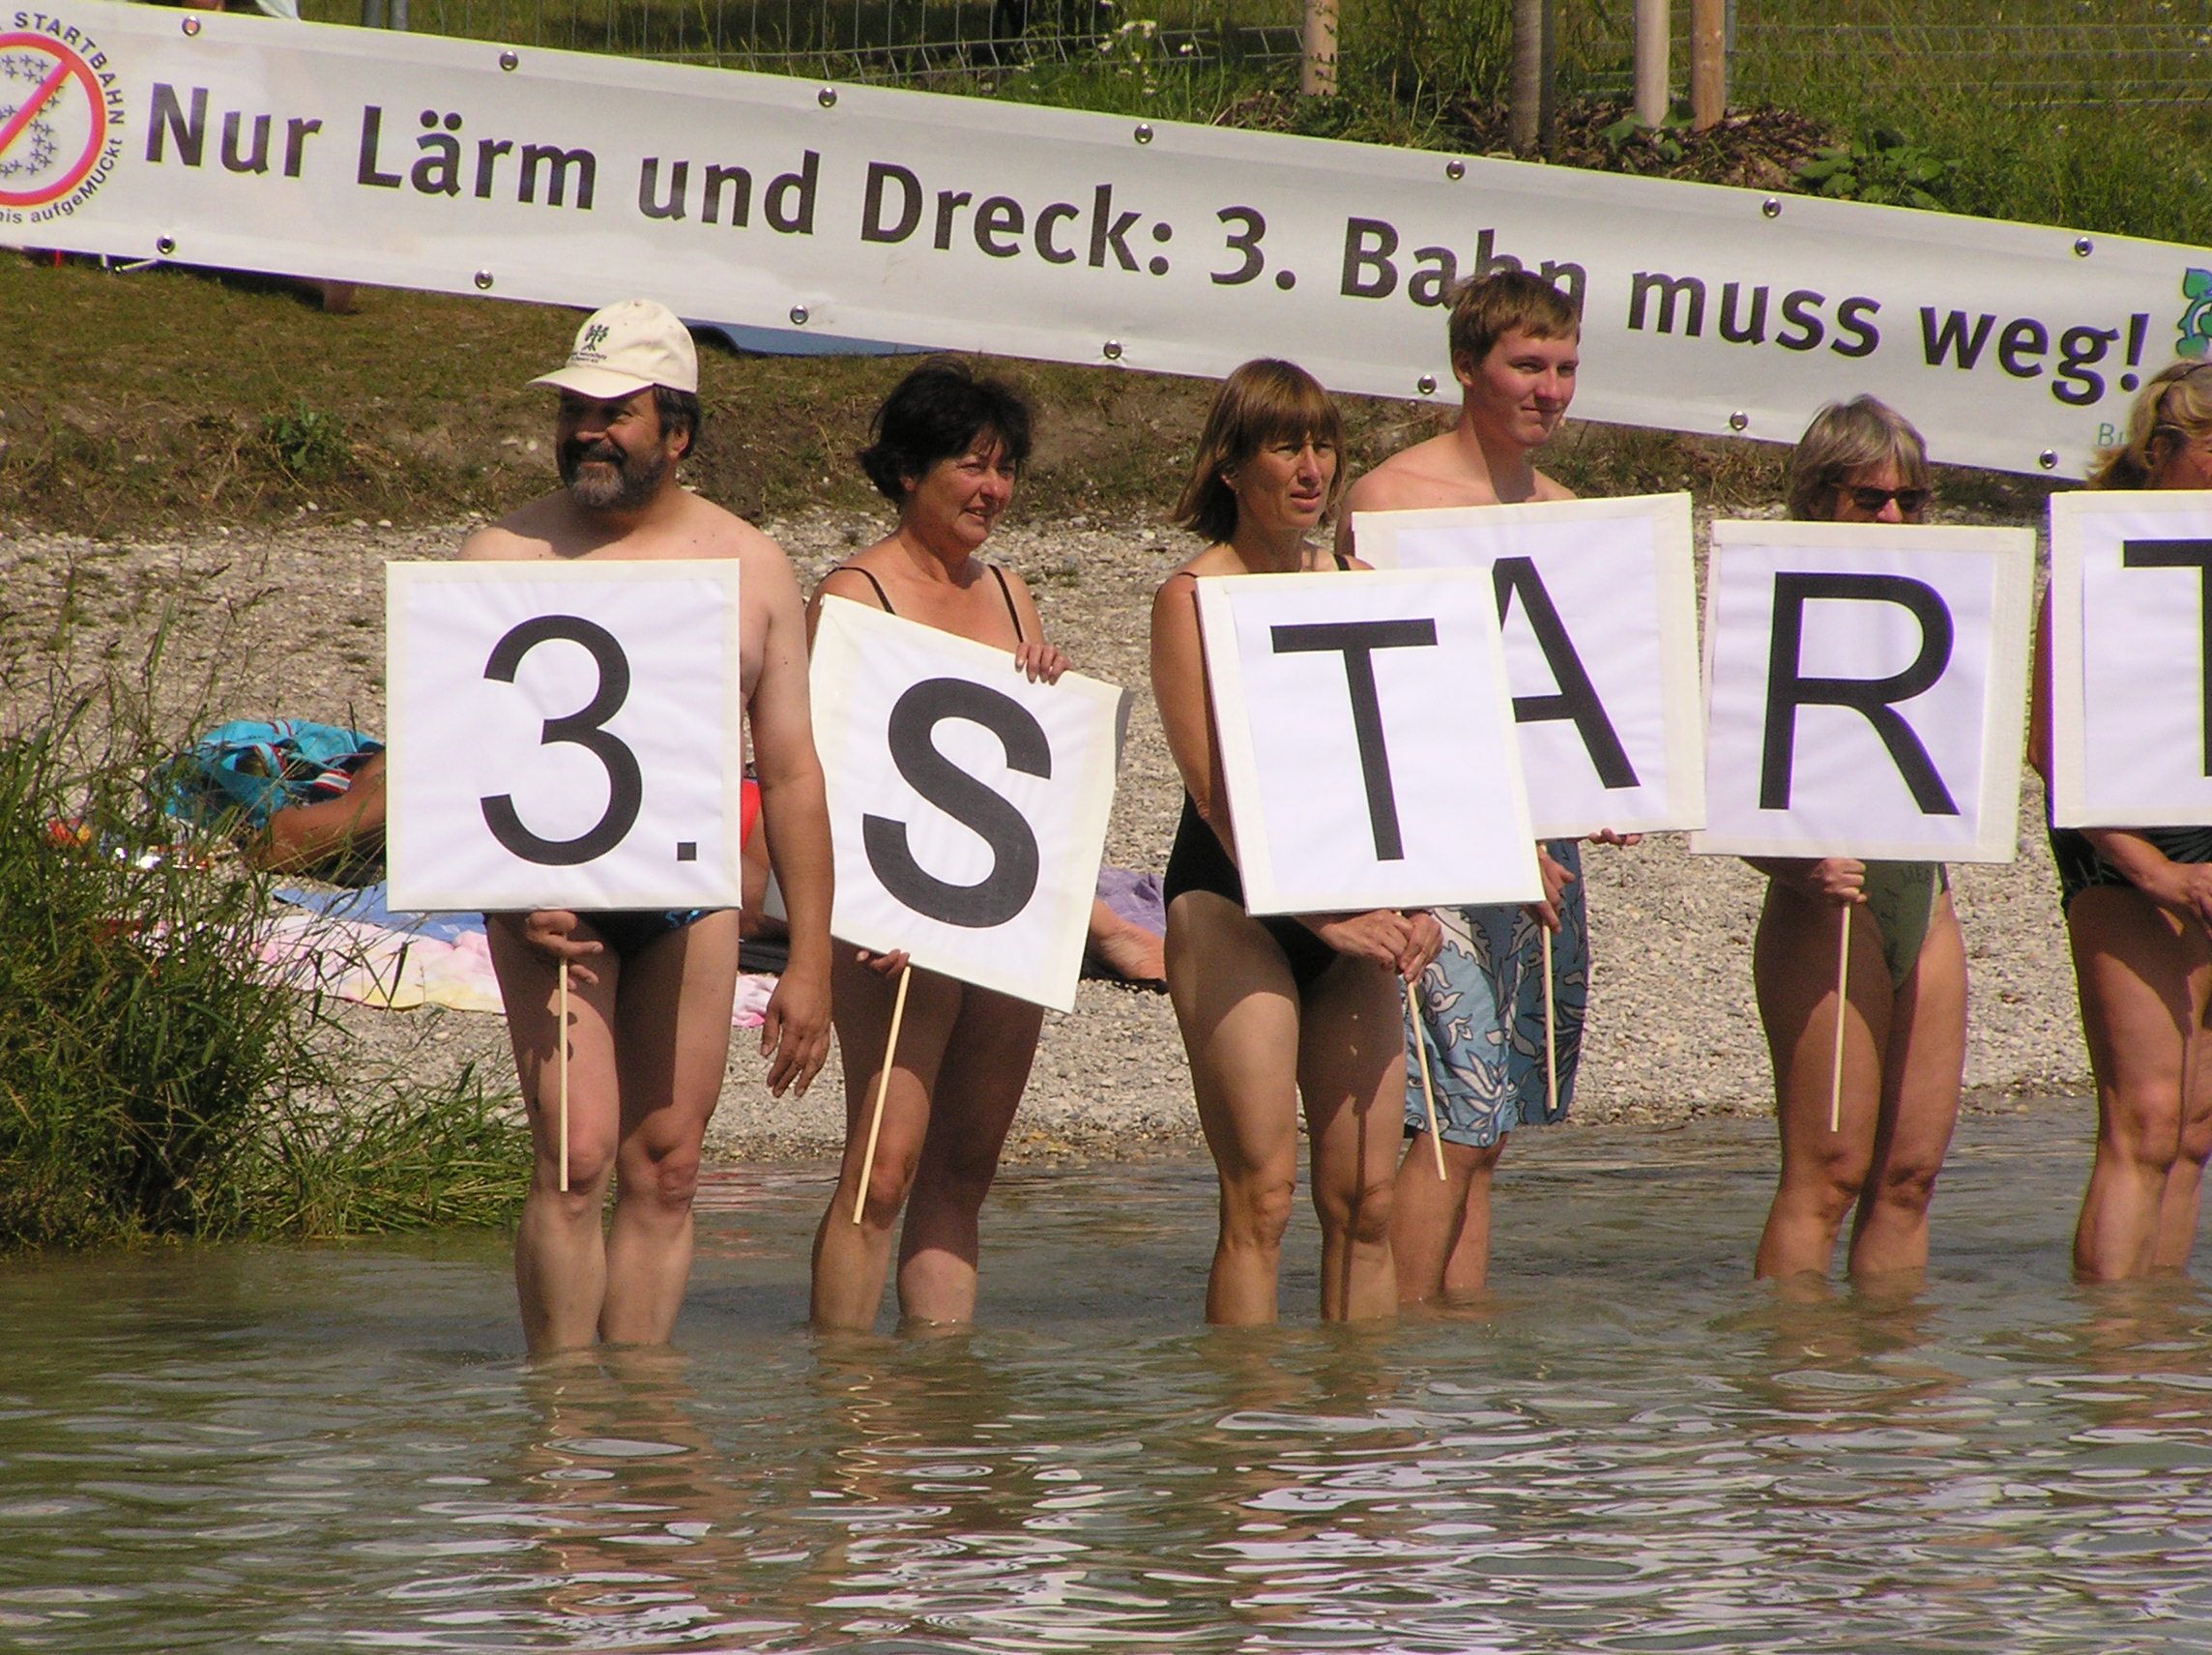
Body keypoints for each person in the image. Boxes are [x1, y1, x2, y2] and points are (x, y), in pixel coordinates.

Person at [464, 299, 833, 1355]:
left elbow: (792, 769)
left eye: (612, 413)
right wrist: (510, 891)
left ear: (677, 432)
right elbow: (460, 753)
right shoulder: (502, 553)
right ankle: (560, 1410)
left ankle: (638, 1411)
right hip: (548, 893)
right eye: (573, 410)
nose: (586, 430)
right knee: (574, 1158)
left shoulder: (750, 564)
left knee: (667, 1164)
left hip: (686, 891)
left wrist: (810, 958)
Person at [1334, 270, 1614, 1304]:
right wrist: (1491, 836)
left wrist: (1605, 792)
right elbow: (1385, 701)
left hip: (1540, 843)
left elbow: (1573, 696)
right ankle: (1392, 1341)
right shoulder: (1389, 502)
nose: (1549, 388)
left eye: (1565, 368)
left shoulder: (1569, 514)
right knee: (1453, 1107)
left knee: (1496, 1124)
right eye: (1526, 365)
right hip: (1434, 840)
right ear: (1465, 366)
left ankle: (1459, 1346)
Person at [1151, 358, 1442, 1324]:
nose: (1312, 467)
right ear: (1232, 466)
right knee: (1262, 1199)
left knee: (1367, 1201)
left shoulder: (1361, 584)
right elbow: (1214, 795)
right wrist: (1321, 917)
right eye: (1286, 447)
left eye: (1323, 445)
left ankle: (1360, 1415)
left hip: (1353, 901)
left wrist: (1420, 900)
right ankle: (1247, 1415)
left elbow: (1408, 763)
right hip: (1235, 901)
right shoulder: (1191, 596)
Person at [807, 361, 1072, 1331]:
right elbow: (816, 772)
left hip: (997, 909)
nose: (992, 489)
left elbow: (1030, 761)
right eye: (972, 465)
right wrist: (868, 911)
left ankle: (943, 1392)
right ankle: (843, 1390)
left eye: (1005, 469)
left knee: (964, 1168)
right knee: (882, 1167)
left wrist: (1047, 675)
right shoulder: (854, 592)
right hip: (892, 915)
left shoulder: (1007, 590)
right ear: (909, 470)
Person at [1745, 397, 1967, 1281]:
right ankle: (1792, 1362)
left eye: (1911, 500)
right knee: (1827, 1177)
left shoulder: (1948, 603)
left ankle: (1893, 1365)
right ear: (1817, 498)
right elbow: (1726, 790)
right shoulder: (1770, 606)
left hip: (1925, 890)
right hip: (1823, 900)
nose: (1893, 517)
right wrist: (1790, 863)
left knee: (1910, 1178)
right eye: (1870, 498)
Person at [2031, 361, 2212, 1280]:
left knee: (2195, 1129)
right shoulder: (2098, 552)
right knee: (2144, 1118)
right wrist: (2151, 869)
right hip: (2122, 844)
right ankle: (2106, 1350)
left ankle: (2162, 1346)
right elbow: (2049, 744)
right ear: (2162, 450)